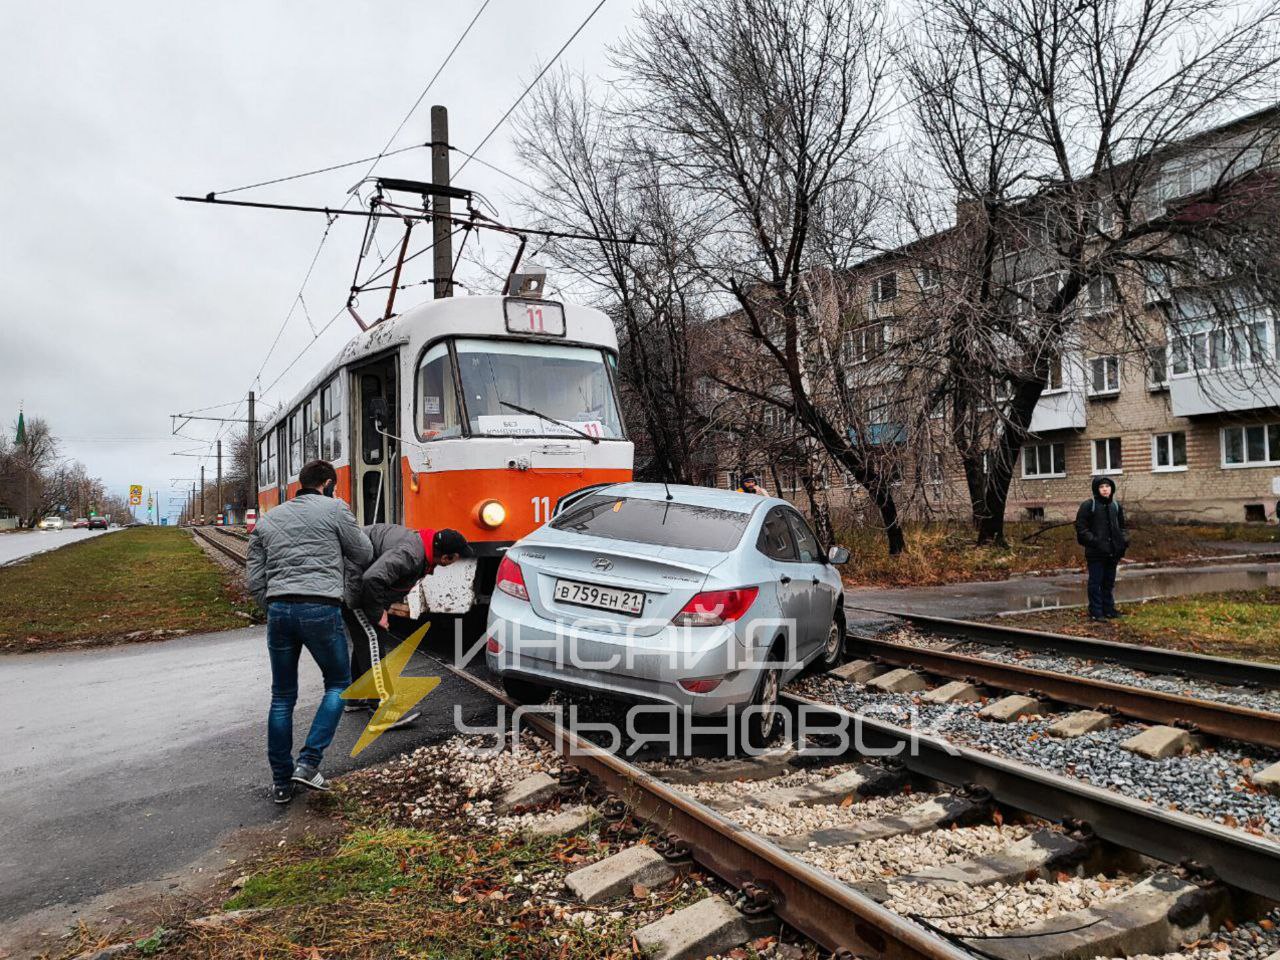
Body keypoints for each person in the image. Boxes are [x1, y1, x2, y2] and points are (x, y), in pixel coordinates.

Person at [247, 460, 373, 804]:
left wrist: (272, 605)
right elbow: (363, 552)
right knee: (338, 684)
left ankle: (281, 783)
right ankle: (308, 763)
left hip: (279, 609)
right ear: (328, 483)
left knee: (282, 696)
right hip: (319, 607)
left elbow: (254, 577)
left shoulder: (269, 518)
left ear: (300, 484)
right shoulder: (335, 509)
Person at [342, 527, 471, 717]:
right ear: (446, 557)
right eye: (455, 559)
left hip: (356, 580)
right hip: (354, 587)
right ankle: (383, 709)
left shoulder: (419, 547)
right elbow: (372, 578)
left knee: (367, 641)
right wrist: (378, 613)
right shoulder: (410, 554)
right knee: (373, 641)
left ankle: (357, 697)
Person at [1075, 476, 1129, 622]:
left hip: (1113, 552)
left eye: (1107, 486)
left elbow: (1122, 527)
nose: (1105, 489)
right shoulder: (1089, 505)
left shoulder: (1115, 506)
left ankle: (1109, 609)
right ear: (1096, 489)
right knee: (1096, 582)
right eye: (1101, 487)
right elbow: (1081, 527)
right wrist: (1094, 541)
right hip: (1096, 552)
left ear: (1111, 488)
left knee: (1109, 582)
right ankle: (1096, 611)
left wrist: (1124, 540)